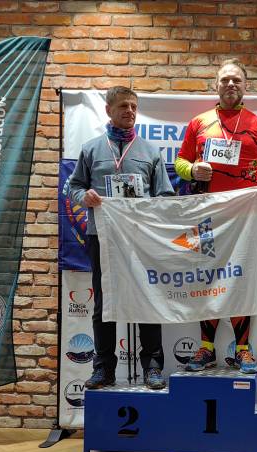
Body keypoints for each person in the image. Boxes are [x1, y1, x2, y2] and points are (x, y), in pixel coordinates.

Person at [175, 58, 257, 375]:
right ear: (216, 85)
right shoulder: (199, 123)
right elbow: (180, 162)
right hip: (206, 215)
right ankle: (206, 348)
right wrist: (192, 169)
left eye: (236, 80)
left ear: (245, 86)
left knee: (241, 279)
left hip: (245, 217)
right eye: (225, 79)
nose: (230, 84)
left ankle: (242, 349)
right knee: (206, 279)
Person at [68, 86, 175, 390]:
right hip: (102, 237)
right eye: (123, 106)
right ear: (108, 110)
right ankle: (103, 368)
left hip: (140, 238)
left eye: (134, 106)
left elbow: (165, 194)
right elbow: (73, 188)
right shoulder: (91, 149)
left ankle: (152, 367)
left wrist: (151, 208)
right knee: (105, 304)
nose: (130, 111)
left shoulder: (150, 151)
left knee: (146, 299)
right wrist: (84, 197)